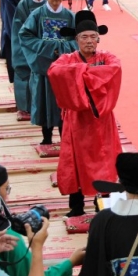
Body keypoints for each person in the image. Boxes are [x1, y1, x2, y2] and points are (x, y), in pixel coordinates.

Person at [48, 11, 121, 217]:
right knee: (75, 162)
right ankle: (76, 206)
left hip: (101, 119)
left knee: (104, 161)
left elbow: (114, 69)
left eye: (92, 37)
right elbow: (54, 71)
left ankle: (104, 205)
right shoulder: (67, 59)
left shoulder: (107, 58)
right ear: (76, 39)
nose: (89, 41)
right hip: (77, 120)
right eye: (84, 37)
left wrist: (79, 75)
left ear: (98, 39)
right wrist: (87, 73)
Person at [17, 0, 77, 146]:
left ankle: (65, 137)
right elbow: (25, 35)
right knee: (44, 101)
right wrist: (49, 48)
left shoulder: (70, 16)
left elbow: (77, 39)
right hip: (44, 65)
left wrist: (63, 48)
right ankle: (47, 136)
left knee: (63, 102)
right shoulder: (37, 14)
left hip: (64, 68)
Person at [9, 0, 44, 120]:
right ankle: (24, 109)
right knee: (24, 72)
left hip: (44, 48)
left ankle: (43, 107)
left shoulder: (49, 4)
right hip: (26, 46)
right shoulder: (23, 5)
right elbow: (18, 30)